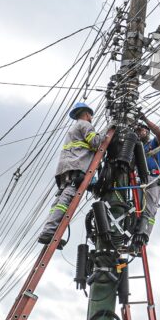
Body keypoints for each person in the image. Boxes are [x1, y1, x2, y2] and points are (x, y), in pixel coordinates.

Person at [38, 102, 102, 246]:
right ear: (86, 114)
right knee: (65, 201)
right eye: (90, 115)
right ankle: (49, 232)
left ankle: (48, 230)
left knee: (58, 203)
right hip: (76, 168)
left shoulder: (73, 128)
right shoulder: (85, 125)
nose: (91, 117)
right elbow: (96, 141)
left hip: (65, 170)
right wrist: (106, 133)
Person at [132, 115, 160, 248]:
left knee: (149, 209)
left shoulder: (154, 143)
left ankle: (144, 236)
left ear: (147, 131)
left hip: (153, 179)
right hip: (139, 180)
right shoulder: (135, 150)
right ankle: (134, 236)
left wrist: (145, 120)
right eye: (137, 131)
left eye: (141, 130)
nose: (139, 132)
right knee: (136, 210)